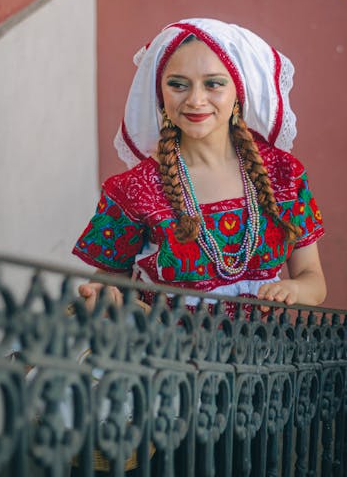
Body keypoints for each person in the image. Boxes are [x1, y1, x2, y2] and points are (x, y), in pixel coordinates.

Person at [73, 18, 326, 315]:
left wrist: (294, 289)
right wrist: (102, 298)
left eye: (213, 84)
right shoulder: (132, 190)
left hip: (265, 356)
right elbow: (108, 284)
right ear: (160, 94)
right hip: (164, 356)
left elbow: (314, 282)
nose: (195, 100)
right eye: (178, 85)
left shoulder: (283, 175)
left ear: (238, 92)